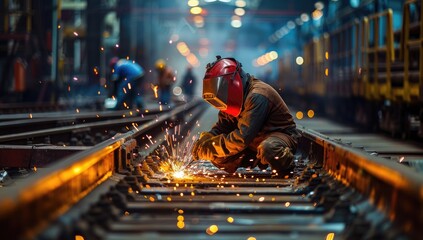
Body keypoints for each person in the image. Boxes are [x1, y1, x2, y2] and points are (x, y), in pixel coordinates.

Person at [191, 56, 301, 175]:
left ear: (234, 83)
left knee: (269, 149)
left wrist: (211, 147)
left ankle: (286, 167)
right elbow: (223, 126)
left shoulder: (258, 95)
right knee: (217, 155)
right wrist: (208, 138)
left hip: (279, 138)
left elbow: (242, 138)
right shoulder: (233, 98)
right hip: (253, 144)